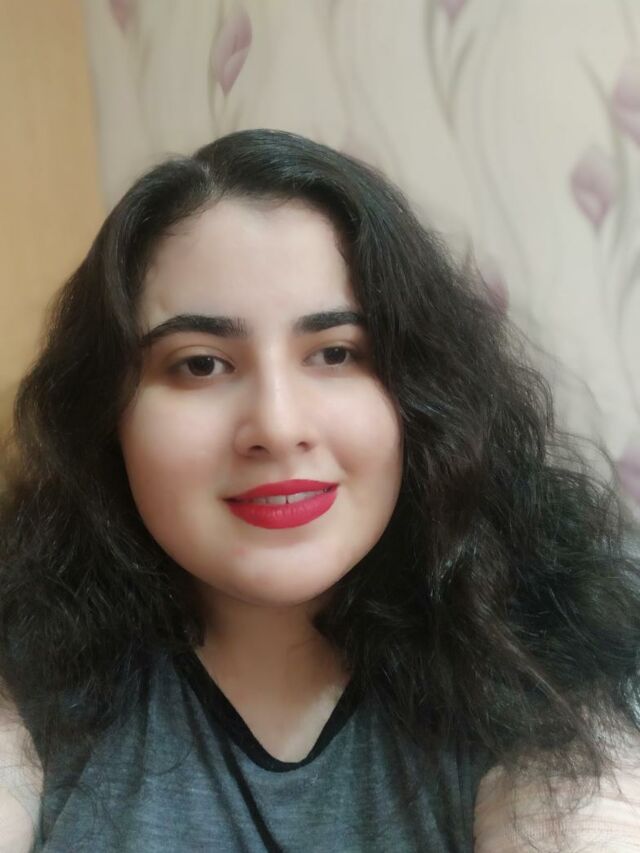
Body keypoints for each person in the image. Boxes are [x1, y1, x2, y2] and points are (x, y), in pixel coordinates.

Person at [1, 128, 639, 852]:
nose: (278, 427)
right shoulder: (24, 670)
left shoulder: (565, 654)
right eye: (200, 363)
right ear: (104, 415)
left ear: (423, 394)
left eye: (336, 353)